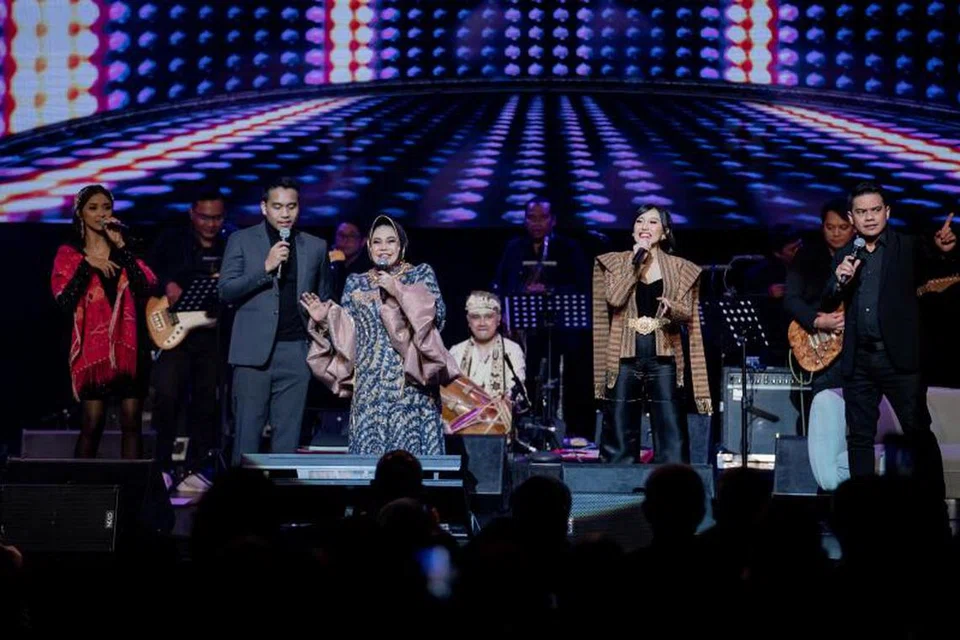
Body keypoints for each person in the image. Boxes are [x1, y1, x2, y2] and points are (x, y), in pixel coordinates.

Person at [824, 181, 956, 498]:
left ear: (887, 212)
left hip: (898, 359)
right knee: (858, 437)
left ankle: (931, 508)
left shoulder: (906, 246)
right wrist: (839, 281)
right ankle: (863, 512)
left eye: (875, 210)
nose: (869, 218)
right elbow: (828, 300)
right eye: (861, 212)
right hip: (859, 360)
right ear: (851, 217)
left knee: (917, 433)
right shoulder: (845, 254)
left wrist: (943, 248)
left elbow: (935, 259)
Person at [301, 214, 458, 456]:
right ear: (369, 246)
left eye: (390, 241)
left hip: (409, 388)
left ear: (401, 245)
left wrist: (398, 290)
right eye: (377, 242)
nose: (383, 247)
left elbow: (437, 317)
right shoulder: (356, 282)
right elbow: (347, 335)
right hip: (369, 389)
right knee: (370, 468)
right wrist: (325, 318)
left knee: (409, 464)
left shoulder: (420, 274)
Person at [219, 177, 332, 465]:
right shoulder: (241, 240)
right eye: (278, 206)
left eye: (291, 207)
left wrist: (321, 316)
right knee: (247, 437)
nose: (285, 213)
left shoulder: (315, 246)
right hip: (251, 354)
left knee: (287, 441)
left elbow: (325, 298)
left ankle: (282, 507)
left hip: (295, 351)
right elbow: (226, 291)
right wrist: (265, 268)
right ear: (264, 207)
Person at [593, 205, 712, 464]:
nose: (644, 226)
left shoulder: (681, 267)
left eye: (653, 222)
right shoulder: (615, 262)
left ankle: (672, 484)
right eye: (639, 221)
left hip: (663, 351)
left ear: (665, 232)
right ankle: (616, 487)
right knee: (620, 422)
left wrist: (672, 308)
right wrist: (636, 264)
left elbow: (687, 312)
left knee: (670, 423)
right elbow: (614, 299)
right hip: (625, 351)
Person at [51, 184, 157, 458]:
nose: (100, 214)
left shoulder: (126, 248)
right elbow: (64, 300)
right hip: (93, 353)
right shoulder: (70, 254)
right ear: (80, 213)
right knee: (92, 423)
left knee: (132, 422)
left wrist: (121, 247)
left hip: (131, 349)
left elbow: (146, 287)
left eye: (106, 208)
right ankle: (81, 494)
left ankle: (130, 494)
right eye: (93, 208)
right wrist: (89, 265)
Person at [149, 188, 227, 484]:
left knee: (207, 402)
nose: (211, 224)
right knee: (167, 397)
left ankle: (197, 468)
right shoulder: (173, 241)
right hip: (175, 334)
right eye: (205, 217)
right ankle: (163, 467)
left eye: (217, 217)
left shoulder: (230, 244)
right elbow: (147, 271)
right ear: (192, 214)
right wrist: (167, 284)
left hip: (210, 337)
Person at [493, 197, 589, 297]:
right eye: (531, 217)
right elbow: (500, 284)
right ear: (525, 220)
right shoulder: (513, 248)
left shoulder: (569, 248)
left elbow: (582, 287)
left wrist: (550, 289)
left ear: (553, 220)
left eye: (543, 217)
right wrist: (523, 289)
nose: (537, 223)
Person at [448, 291, 526, 398]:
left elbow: (517, 389)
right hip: (462, 413)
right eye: (476, 317)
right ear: (468, 321)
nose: (482, 323)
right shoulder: (456, 351)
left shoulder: (512, 350)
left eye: (488, 317)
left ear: (498, 319)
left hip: (500, 413)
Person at [329, 219, 373, 302]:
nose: (345, 241)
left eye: (352, 236)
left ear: (363, 241)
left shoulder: (368, 271)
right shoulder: (333, 263)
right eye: (341, 235)